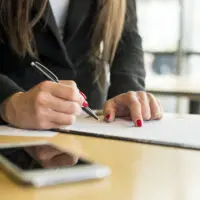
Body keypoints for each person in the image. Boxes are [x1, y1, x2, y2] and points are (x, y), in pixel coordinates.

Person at [0, 0, 163, 130]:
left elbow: (127, 38)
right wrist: (8, 102)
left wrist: (128, 91)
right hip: (14, 123)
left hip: (88, 117)